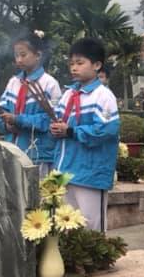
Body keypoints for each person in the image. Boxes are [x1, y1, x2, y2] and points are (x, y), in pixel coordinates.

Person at [50, 38, 120, 232]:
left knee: (91, 227)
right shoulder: (68, 94)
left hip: (91, 173)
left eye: (80, 63)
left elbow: (106, 130)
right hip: (65, 171)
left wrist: (70, 131)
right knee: (66, 226)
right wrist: (55, 129)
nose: (74, 68)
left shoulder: (103, 95)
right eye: (71, 63)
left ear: (97, 65)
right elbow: (59, 122)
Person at [0, 31, 62, 176]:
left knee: (35, 189)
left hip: (37, 153)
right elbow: (1, 109)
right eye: (16, 55)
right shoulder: (13, 82)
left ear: (38, 55)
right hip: (12, 149)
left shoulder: (49, 84)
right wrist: (5, 124)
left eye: (23, 55)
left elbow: (52, 119)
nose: (19, 60)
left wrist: (18, 120)